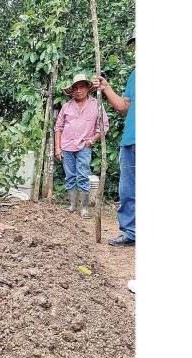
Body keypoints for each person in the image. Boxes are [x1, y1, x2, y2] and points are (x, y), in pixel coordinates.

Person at [92, 33, 135, 247]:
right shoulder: (135, 76)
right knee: (128, 190)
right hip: (130, 140)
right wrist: (106, 88)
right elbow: (124, 107)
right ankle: (131, 232)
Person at [55, 72, 109, 218]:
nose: (78, 90)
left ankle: (84, 208)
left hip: (84, 147)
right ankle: (72, 205)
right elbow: (58, 128)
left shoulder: (96, 104)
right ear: (72, 90)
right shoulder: (67, 106)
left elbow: (104, 125)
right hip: (67, 146)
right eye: (75, 88)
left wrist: (93, 139)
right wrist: (57, 148)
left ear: (87, 88)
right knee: (70, 176)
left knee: (83, 175)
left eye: (81, 87)